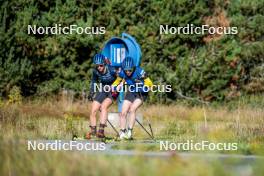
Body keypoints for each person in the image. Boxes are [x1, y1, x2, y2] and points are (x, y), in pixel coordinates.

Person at [112, 56, 153, 140]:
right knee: (123, 112)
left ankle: (129, 132)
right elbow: (117, 81)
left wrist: (144, 87)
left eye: (130, 70)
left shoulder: (140, 71)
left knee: (132, 109)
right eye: (126, 70)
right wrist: (114, 87)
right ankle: (122, 132)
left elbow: (150, 83)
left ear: (133, 68)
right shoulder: (122, 72)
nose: (128, 72)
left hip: (141, 93)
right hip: (131, 91)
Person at [86, 53, 118, 139]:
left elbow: (120, 78)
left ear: (104, 63)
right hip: (103, 88)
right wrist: (92, 92)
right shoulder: (95, 71)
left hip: (113, 90)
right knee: (93, 109)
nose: (99, 67)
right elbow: (94, 82)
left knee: (103, 107)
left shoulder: (111, 69)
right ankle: (93, 132)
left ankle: (101, 131)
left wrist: (116, 87)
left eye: (101, 65)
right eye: (97, 66)